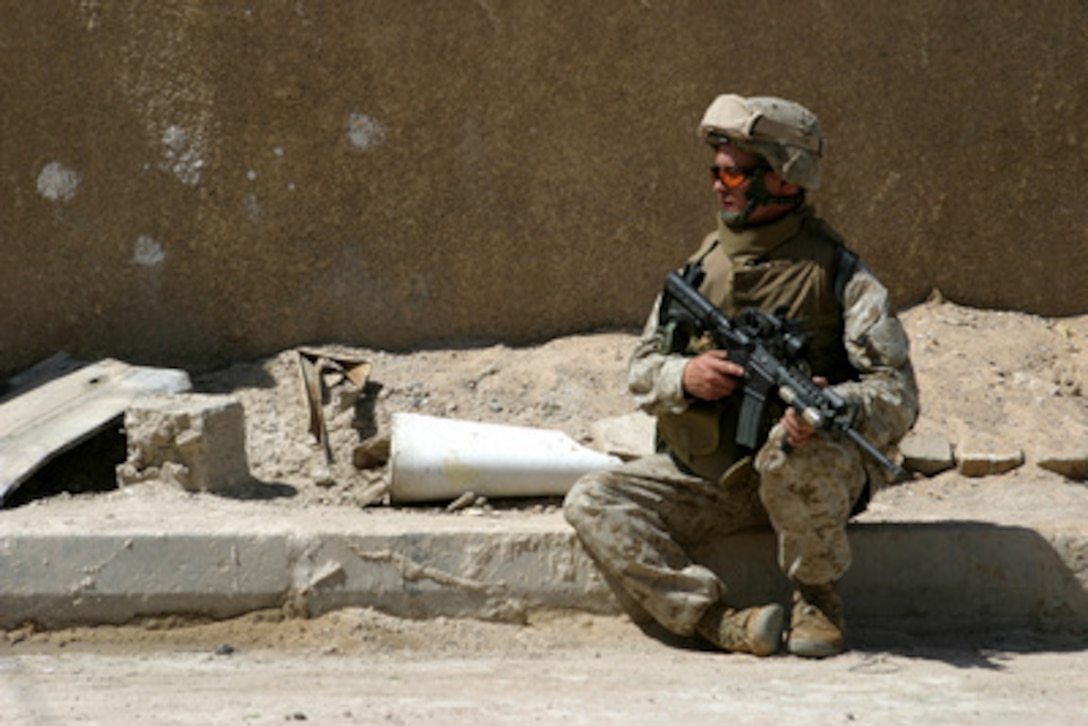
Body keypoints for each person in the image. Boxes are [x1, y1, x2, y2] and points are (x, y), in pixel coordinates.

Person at [563, 94, 919, 658]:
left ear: (783, 178)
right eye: (716, 170)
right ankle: (715, 620)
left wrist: (838, 408)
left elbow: (898, 395)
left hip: (807, 475)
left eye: (732, 171)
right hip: (713, 480)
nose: (718, 184)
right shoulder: (699, 271)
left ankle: (817, 598)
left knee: (796, 449)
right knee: (592, 499)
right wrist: (686, 376)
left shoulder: (842, 276)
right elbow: (641, 370)